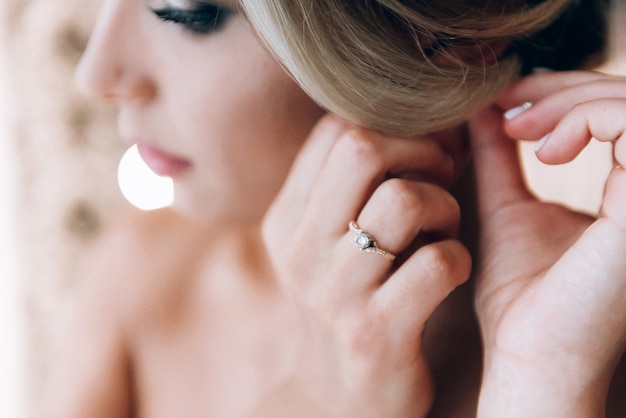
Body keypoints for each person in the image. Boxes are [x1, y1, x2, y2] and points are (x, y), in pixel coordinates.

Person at [35, 0, 626, 416]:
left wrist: (545, 389)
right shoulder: (146, 268)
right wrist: (322, 399)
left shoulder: (585, 355)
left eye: (185, 13)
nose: (96, 74)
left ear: (449, 42)